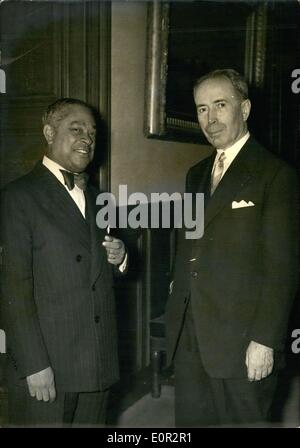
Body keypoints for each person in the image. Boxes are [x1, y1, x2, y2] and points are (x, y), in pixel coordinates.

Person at [166, 69, 299, 427]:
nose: (210, 119)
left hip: (243, 341)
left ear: (246, 108)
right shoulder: (195, 175)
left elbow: (282, 268)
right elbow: (189, 246)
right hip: (192, 335)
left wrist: (264, 341)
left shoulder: (276, 175)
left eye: (220, 105)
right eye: (202, 108)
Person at [0, 98, 127, 427]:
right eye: (76, 129)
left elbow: (97, 273)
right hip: (48, 366)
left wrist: (122, 258)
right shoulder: (18, 197)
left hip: (96, 362)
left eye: (92, 133)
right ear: (49, 132)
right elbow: (13, 288)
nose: (87, 139)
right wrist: (34, 365)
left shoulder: (102, 200)